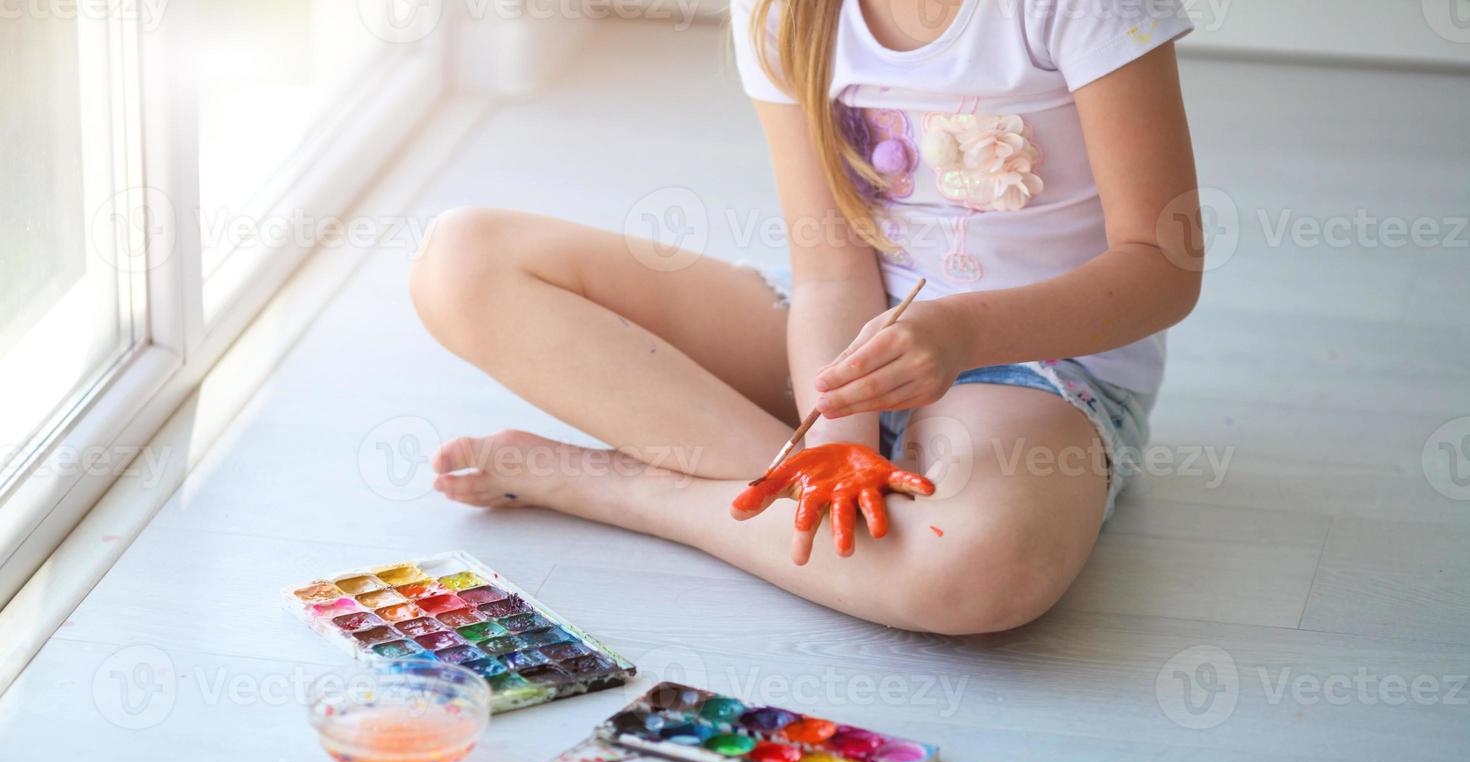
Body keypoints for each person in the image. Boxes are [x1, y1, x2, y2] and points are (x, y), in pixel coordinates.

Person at [408, 0, 1202, 635]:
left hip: (1034, 363)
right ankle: (805, 488)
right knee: (462, 261)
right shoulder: (786, 11)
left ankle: (631, 490)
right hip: (840, 330)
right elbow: (830, 273)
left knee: (975, 568)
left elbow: (1163, 269)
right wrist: (838, 445)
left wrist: (965, 336)